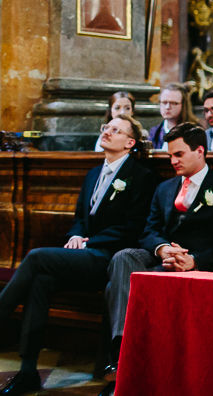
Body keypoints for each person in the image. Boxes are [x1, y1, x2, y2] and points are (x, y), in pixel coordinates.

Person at [0, 116, 156, 396]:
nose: (107, 131)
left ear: (130, 142)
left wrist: (91, 241)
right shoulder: (93, 174)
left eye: (115, 130)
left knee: (36, 257)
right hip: (85, 254)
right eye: (106, 127)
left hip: (108, 258)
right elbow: (80, 218)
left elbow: (133, 228)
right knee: (41, 281)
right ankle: (27, 371)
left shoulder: (141, 176)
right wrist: (76, 235)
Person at [104, 123, 213, 392]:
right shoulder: (164, 188)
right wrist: (162, 248)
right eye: (170, 155)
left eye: (178, 154)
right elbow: (149, 230)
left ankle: (124, 366)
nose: (173, 161)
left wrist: (195, 261)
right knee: (123, 258)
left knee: (120, 287)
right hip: (162, 256)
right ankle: (121, 349)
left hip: (194, 266)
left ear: (200, 151)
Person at [149, 83, 197, 150]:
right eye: (164, 102)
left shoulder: (194, 132)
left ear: (183, 105)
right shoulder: (154, 132)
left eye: (174, 103)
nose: (167, 107)